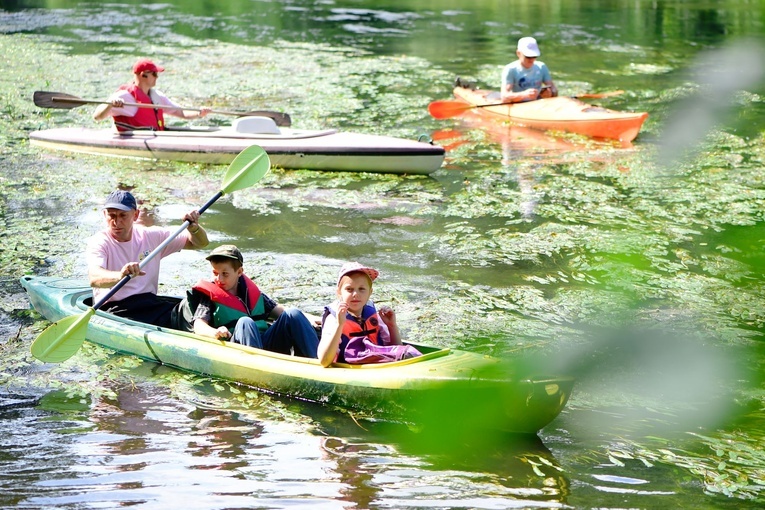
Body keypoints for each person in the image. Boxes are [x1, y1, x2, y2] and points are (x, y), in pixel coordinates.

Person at [86, 189, 209, 327]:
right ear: (104, 215)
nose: (116, 222)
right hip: (116, 310)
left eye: (123, 215)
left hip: (150, 304)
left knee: (198, 304)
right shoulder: (99, 241)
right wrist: (120, 275)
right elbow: (94, 278)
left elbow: (199, 243)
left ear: (136, 215)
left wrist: (194, 229)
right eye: (112, 216)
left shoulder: (152, 236)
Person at [181, 245, 319, 358]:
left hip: (265, 343)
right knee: (245, 322)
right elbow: (199, 326)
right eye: (215, 273)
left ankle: (318, 362)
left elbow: (280, 311)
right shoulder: (209, 297)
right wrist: (215, 332)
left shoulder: (250, 292)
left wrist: (309, 318)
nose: (219, 279)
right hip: (237, 348)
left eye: (225, 274)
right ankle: (259, 372)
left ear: (239, 272)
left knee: (293, 313)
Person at [318, 262, 421, 367]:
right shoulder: (333, 320)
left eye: (361, 289)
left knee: (407, 353)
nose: (356, 294)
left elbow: (396, 351)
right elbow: (324, 361)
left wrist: (392, 326)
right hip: (347, 367)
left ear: (370, 292)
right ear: (339, 292)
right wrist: (340, 325)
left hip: (375, 363)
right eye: (349, 289)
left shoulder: (374, 315)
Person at [93, 58, 211, 131]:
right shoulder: (124, 96)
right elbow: (97, 116)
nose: (157, 77)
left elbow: (180, 112)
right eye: (154, 74)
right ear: (143, 75)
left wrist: (199, 113)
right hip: (134, 141)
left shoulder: (157, 97)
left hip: (157, 137)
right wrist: (110, 105)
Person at [500, 36, 558, 103]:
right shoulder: (510, 69)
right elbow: (504, 97)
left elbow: (554, 89)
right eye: (528, 57)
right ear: (518, 53)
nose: (531, 60)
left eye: (534, 56)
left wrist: (551, 93)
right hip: (519, 105)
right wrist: (523, 95)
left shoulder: (541, 67)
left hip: (538, 103)